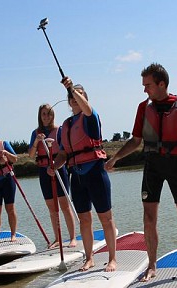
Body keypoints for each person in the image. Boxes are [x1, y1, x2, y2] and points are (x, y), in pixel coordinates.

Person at [105, 63, 177, 282]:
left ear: (161, 84)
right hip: (152, 165)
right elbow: (135, 141)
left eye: (148, 85)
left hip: (175, 164)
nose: (145, 90)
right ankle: (152, 266)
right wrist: (115, 158)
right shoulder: (144, 108)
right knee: (149, 218)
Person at [50, 77, 118, 272]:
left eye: (77, 95)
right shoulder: (66, 125)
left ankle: (113, 259)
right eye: (70, 96)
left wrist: (72, 87)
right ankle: (89, 258)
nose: (73, 98)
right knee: (85, 220)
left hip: (96, 172)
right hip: (77, 177)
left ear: (84, 98)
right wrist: (54, 166)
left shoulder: (90, 116)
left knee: (106, 218)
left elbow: (87, 108)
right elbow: (63, 153)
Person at [28, 103, 77, 249]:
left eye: (49, 113)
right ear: (40, 116)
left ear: (53, 115)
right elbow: (31, 155)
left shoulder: (60, 131)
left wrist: (56, 165)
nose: (46, 116)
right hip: (44, 171)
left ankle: (73, 238)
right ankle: (57, 239)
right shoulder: (35, 133)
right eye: (43, 114)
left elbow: (65, 152)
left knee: (64, 205)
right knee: (52, 207)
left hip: (58, 169)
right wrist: (37, 141)